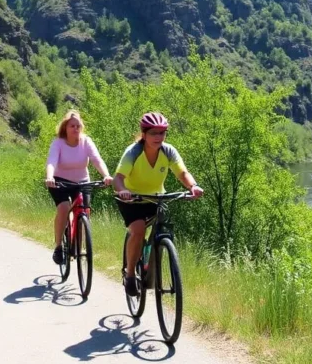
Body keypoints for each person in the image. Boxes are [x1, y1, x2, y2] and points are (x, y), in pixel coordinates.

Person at [113, 112, 203, 297]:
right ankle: (130, 274)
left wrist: (193, 186)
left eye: (162, 133)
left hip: (156, 198)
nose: (158, 137)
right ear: (144, 134)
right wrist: (123, 190)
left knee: (161, 229)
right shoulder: (133, 152)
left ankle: (154, 258)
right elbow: (118, 178)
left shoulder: (168, 151)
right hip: (132, 199)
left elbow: (182, 173)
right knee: (138, 230)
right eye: (153, 133)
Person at [44, 110, 112, 265]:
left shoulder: (86, 141)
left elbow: (96, 159)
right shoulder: (58, 143)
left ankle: (79, 245)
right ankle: (58, 246)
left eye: (78, 126)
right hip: (59, 181)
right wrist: (50, 177)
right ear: (65, 128)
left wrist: (106, 175)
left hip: (82, 182)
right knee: (64, 208)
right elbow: (52, 161)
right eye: (72, 126)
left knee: (84, 211)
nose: (75, 128)